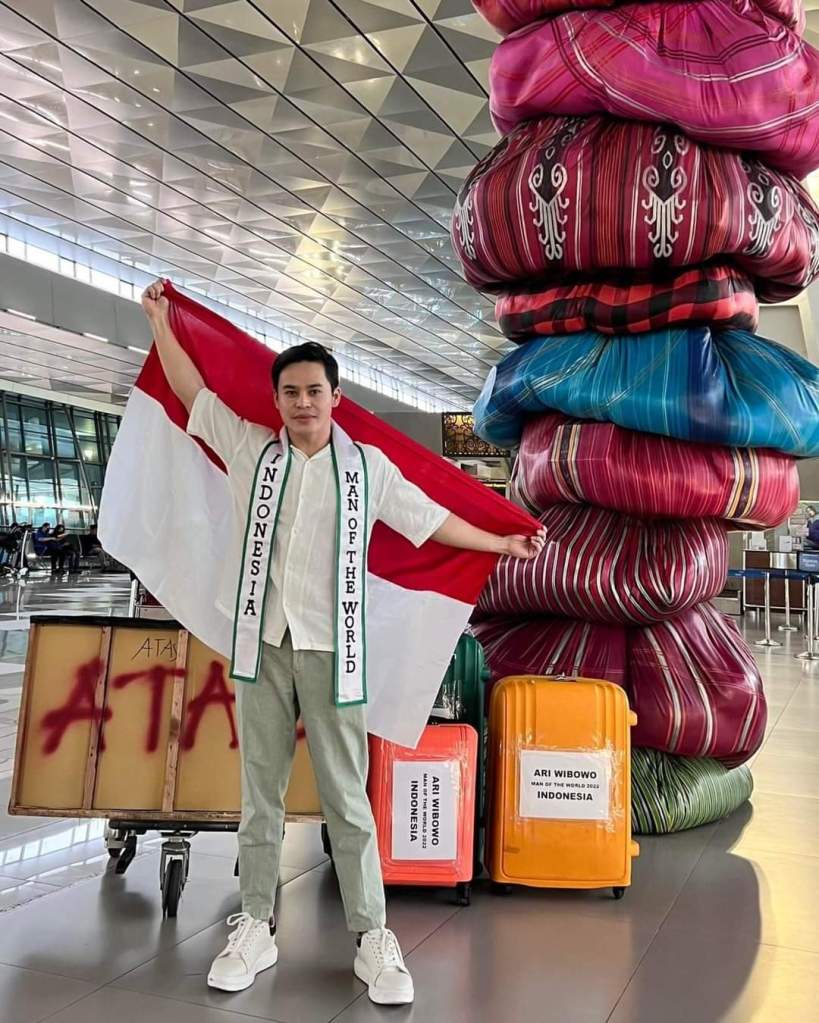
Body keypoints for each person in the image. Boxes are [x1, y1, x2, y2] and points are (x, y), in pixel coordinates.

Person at [141, 279, 546, 1006]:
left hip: (335, 651)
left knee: (347, 799)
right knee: (259, 795)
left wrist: (500, 543)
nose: (302, 402)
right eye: (290, 391)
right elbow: (192, 392)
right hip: (262, 645)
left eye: (313, 391)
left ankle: (371, 936)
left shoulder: (367, 470)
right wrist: (159, 323)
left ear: (335, 396)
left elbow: (428, 520)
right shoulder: (249, 449)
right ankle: (255, 922)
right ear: (277, 400)